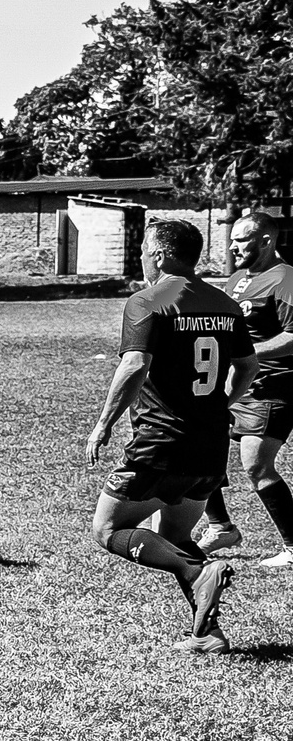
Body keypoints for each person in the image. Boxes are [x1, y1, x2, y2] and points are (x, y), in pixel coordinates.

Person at [86, 219, 251, 650]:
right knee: (175, 536)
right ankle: (208, 633)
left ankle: (199, 573)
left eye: (144, 249)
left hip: (161, 442)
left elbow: (135, 364)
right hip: (210, 442)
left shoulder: (150, 300)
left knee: (106, 530)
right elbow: (248, 367)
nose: (141, 256)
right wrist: (222, 405)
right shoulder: (225, 302)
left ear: (160, 255)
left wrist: (103, 423)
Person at [192, 212, 293, 565]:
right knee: (197, 449)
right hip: (232, 382)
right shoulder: (236, 278)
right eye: (233, 239)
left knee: (256, 466)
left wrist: (245, 353)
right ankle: (220, 527)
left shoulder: (285, 279)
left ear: (266, 241)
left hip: (272, 385)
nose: (233, 246)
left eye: (242, 240)